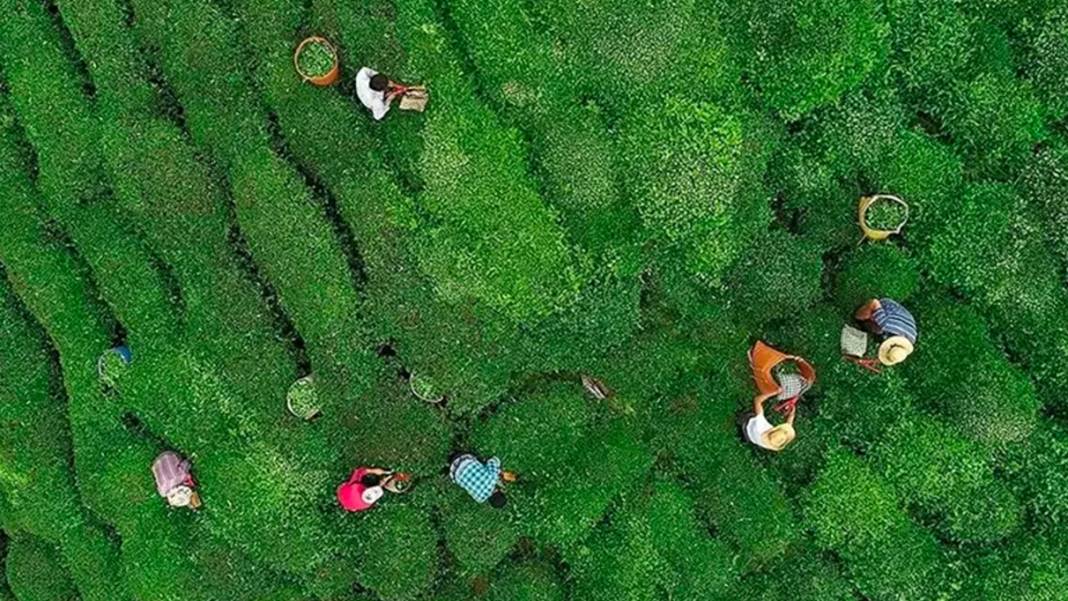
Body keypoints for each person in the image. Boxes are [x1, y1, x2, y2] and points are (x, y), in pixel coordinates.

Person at [854, 298, 917, 367]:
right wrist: (858, 316)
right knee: (865, 322)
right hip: (888, 305)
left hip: (904, 318)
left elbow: (894, 352)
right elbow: (874, 302)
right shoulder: (885, 323)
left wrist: (875, 360)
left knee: (878, 333)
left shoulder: (909, 343)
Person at [449, 454, 516, 508]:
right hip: (453, 473)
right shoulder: (479, 499)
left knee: (483, 464)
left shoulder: (493, 478)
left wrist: (499, 471)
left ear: (500, 491)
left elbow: (493, 460)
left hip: (462, 458)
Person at [337, 466, 402, 512]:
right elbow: (359, 471)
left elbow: (359, 470)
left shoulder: (366, 502)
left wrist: (373, 471)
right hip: (346, 497)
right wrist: (373, 472)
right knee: (370, 480)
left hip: (345, 497)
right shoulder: (356, 488)